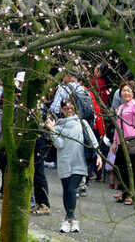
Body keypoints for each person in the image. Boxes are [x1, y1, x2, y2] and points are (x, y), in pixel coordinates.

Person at [45, 98, 102, 233]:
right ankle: (72, 219)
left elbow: (92, 140)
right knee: (66, 192)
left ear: (75, 108)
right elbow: (59, 144)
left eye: (71, 107)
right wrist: (52, 130)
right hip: (64, 162)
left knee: (72, 190)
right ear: (61, 109)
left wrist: (98, 155)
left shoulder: (82, 123)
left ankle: (68, 219)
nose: (68, 110)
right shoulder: (58, 126)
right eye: (65, 108)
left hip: (79, 162)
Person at [111, 84, 135, 205]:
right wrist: (114, 141)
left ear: (133, 93)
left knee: (132, 168)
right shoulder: (121, 107)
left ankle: (134, 194)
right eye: (124, 91)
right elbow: (118, 125)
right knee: (119, 166)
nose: (126, 93)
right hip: (122, 140)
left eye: (129, 91)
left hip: (133, 139)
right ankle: (125, 192)